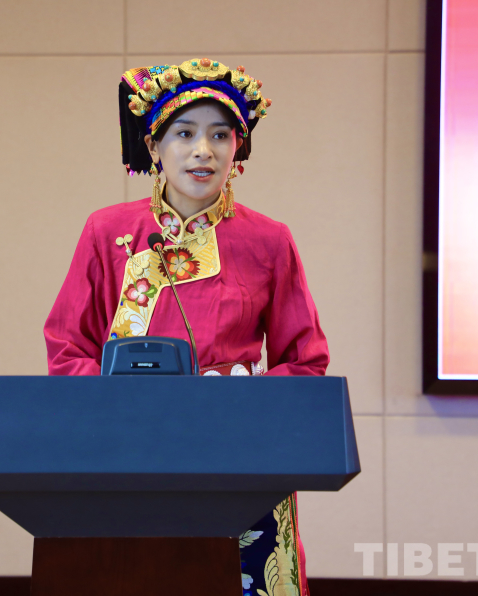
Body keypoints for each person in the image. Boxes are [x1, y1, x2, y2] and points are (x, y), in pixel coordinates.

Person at [44, 58, 329, 596]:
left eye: (220, 135)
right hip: (126, 446)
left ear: (238, 149)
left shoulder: (269, 240)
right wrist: (118, 403)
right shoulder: (108, 231)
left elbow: (305, 361)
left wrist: (239, 402)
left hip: (239, 451)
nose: (204, 150)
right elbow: (67, 346)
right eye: (184, 133)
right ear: (154, 146)